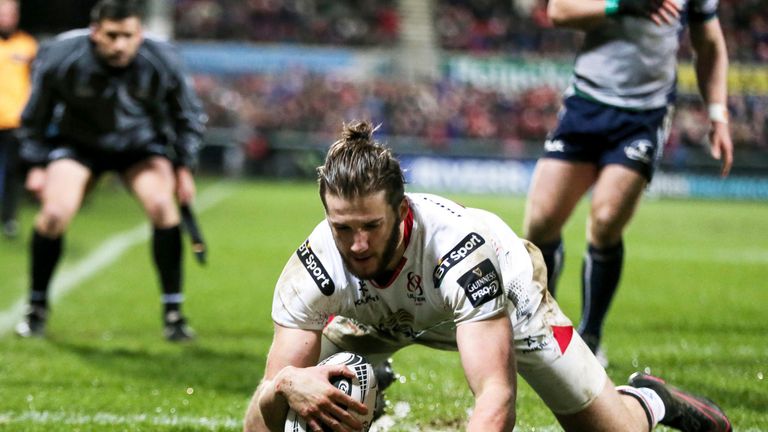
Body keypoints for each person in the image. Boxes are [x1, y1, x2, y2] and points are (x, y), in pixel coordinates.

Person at [243, 120, 731, 432]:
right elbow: (260, 417)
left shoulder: (459, 253)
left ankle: (650, 398)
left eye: (372, 226)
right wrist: (288, 382)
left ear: (402, 209)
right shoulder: (313, 266)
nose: (358, 244)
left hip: (508, 302)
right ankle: (367, 381)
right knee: (301, 398)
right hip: (376, 317)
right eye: (343, 228)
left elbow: (497, 396)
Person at [522, 0, 733, 365]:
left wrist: (718, 113)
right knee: (539, 224)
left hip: (643, 116)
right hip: (585, 105)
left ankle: (590, 337)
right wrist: (621, 5)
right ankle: (539, 326)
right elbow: (559, 11)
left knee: (605, 223)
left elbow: (709, 42)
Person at [14, 0, 206, 341]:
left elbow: (187, 115)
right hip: (78, 144)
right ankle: (36, 308)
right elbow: (34, 116)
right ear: (95, 33)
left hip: (140, 146)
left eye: (128, 36)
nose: (120, 45)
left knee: (164, 208)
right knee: (54, 214)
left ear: (140, 33)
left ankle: (173, 314)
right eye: (111, 36)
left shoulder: (163, 57)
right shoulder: (61, 55)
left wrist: (183, 166)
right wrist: (36, 165)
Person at [0, 0, 36, 238]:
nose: (6, 17)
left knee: (13, 171)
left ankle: (9, 218)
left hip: (15, 120)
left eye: (10, 13)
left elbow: (37, 82)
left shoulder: (28, 46)